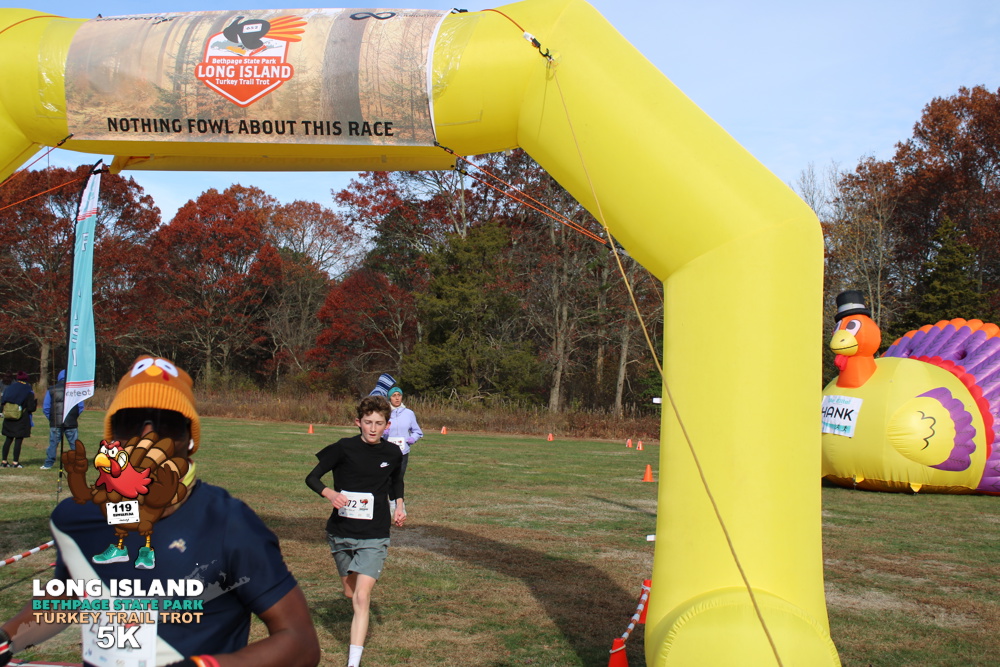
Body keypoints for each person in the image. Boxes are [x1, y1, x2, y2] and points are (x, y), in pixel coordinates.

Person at [0, 355, 320, 667]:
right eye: (131, 421)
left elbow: (300, 643)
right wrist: (6, 638)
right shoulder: (75, 518)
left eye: (168, 424)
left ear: (190, 439)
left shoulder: (229, 523)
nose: (148, 436)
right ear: (112, 435)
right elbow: (71, 596)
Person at [305, 395, 406, 667]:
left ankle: (353, 662)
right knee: (350, 593)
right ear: (357, 422)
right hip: (341, 532)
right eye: (368, 422)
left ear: (387, 425)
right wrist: (329, 493)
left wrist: (399, 505)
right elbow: (311, 478)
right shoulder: (343, 448)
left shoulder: (392, 453)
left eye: (379, 423)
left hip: (375, 533)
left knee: (362, 596)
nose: (373, 428)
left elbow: (396, 482)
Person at [40, 369, 85, 470]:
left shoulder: (51, 389)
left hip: (56, 422)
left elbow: (46, 407)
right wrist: (74, 417)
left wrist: (52, 418)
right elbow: (81, 406)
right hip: (71, 422)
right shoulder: (75, 390)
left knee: (53, 444)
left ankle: (48, 464)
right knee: (74, 444)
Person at [384, 386, 422, 480]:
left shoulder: (409, 413)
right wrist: (383, 433)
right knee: (386, 478)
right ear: (389, 398)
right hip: (386, 451)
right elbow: (376, 430)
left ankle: (398, 490)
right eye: (394, 395)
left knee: (398, 479)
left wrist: (413, 438)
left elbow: (417, 431)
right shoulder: (384, 413)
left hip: (403, 452)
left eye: (399, 395)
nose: (397, 398)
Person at [0, 371, 36, 469]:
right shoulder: (28, 389)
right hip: (21, 418)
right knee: (18, 440)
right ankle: (15, 462)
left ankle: (4, 461)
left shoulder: (9, 388)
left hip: (9, 417)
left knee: (8, 439)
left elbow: (2, 402)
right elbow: (31, 407)